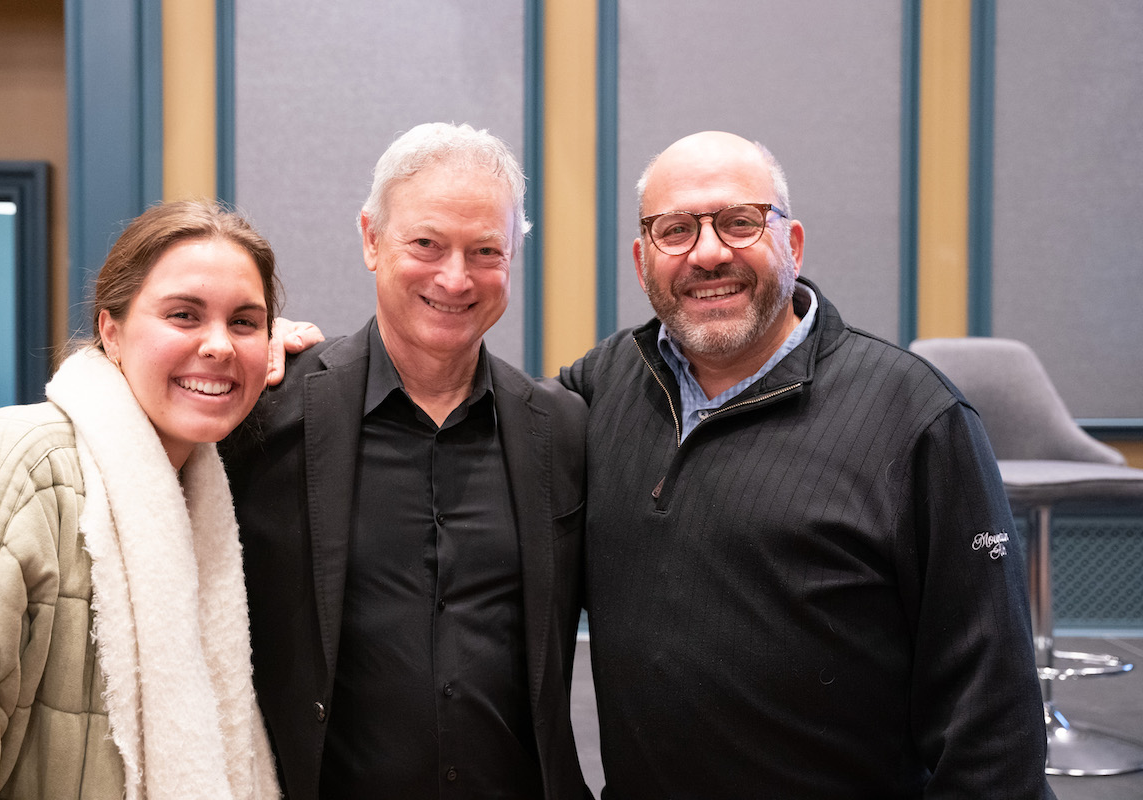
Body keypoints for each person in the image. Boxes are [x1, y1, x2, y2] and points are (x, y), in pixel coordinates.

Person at [557, 131, 1053, 797]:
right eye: (675, 230)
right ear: (644, 260)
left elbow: (993, 718)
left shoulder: (913, 416)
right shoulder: (600, 388)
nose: (708, 253)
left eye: (739, 222)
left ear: (791, 244)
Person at [221, 123, 591, 800]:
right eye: (426, 243)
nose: (456, 277)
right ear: (371, 239)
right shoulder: (266, 411)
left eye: (486, 251)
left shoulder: (561, 428)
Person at [0, 200, 283, 800]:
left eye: (244, 322)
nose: (220, 347)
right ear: (111, 330)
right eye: (184, 315)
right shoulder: (13, 463)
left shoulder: (205, 497)